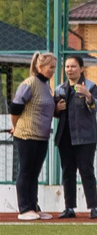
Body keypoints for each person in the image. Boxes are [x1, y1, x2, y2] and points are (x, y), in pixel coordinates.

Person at [53, 55, 97, 218]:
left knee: (86, 171)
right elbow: (54, 112)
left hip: (85, 138)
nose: (69, 70)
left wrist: (88, 96)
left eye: (73, 67)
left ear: (81, 68)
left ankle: (93, 207)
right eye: (67, 67)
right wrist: (57, 109)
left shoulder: (90, 86)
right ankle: (69, 207)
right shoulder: (60, 88)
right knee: (68, 172)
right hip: (65, 137)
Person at [12, 52, 58, 220]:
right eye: (51, 67)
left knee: (34, 172)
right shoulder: (30, 83)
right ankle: (24, 209)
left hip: (41, 136)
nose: (53, 70)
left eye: (54, 67)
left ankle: (34, 207)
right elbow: (16, 107)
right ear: (40, 67)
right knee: (26, 171)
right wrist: (15, 126)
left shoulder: (46, 86)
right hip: (26, 135)